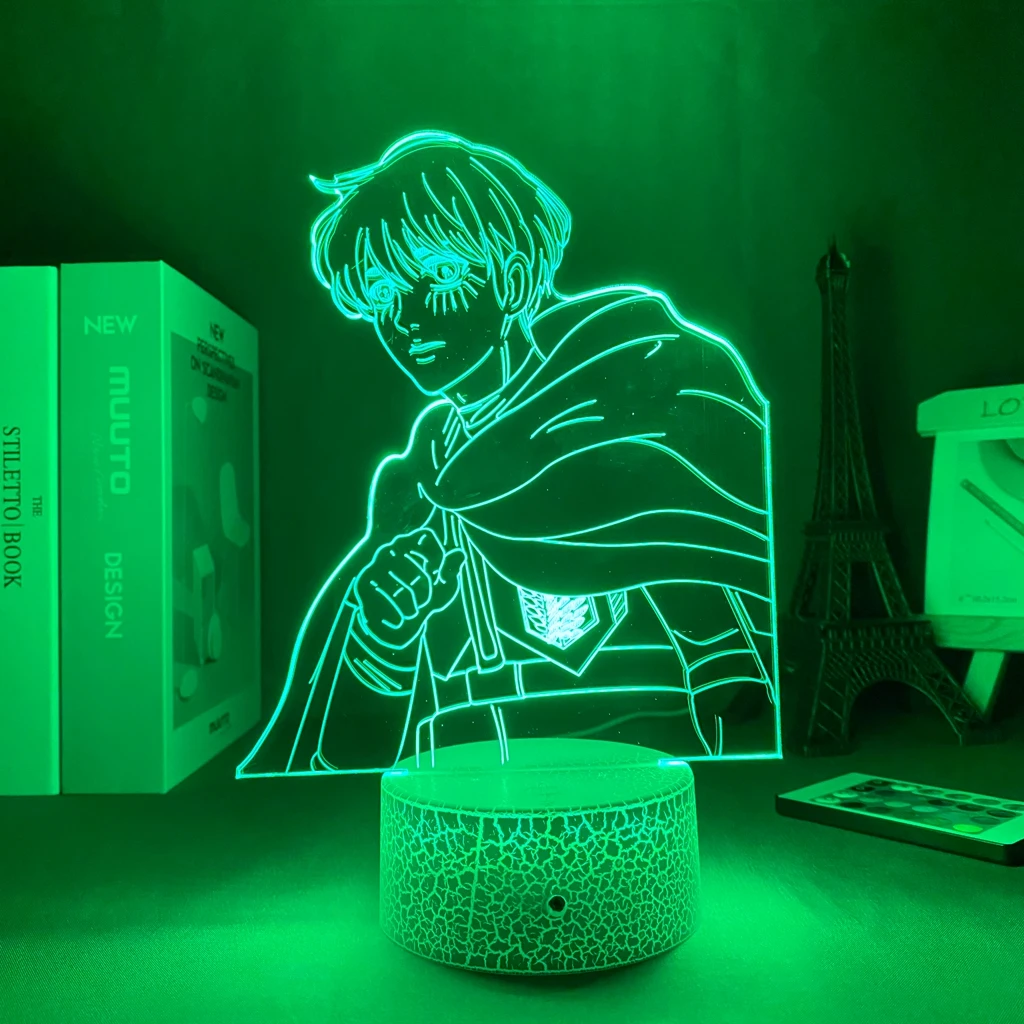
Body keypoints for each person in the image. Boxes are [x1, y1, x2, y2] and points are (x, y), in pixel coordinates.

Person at [238, 131, 778, 777]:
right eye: (382, 296)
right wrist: (385, 633)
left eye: (440, 276)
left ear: (514, 279)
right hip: (473, 783)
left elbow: (725, 662)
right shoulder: (421, 481)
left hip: (644, 768)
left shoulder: (630, 398)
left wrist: (732, 762)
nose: (406, 318)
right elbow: (348, 747)